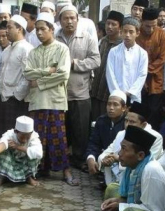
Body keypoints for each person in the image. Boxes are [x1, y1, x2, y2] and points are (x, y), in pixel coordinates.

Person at [24, 13, 78, 186]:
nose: (39, 33)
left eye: (43, 29)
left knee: (58, 137)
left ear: (52, 30)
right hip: (37, 102)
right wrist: (48, 71)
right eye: (37, 29)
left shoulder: (62, 49)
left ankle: (66, 171)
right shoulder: (33, 52)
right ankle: (38, 169)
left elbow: (63, 74)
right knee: (38, 137)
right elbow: (27, 73)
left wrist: (38, 82)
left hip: (55, 101)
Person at [56, 4, 101, 169]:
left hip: (80, 92)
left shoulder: (87, 38)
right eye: (65, 18)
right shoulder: (54, 38)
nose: (69, 21)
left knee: (81, 130)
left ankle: (80, 159)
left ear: (77, 19)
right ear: (60, 20)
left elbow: (96, 60)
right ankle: (63, 158)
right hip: (59, 93)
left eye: (72, 18)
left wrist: (75, 64)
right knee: (62, 129)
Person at [0, 15, 33, 173]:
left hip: (16, 101)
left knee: (14, 135)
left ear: (19, 29)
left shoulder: (27, 49)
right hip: (3, 98)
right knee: (2, 132)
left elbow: (28, 77)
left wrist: (16, 95)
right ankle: (1, 163)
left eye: (9, 28)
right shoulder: (6, 50)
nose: (6, 31)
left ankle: (15, 167)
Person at [99, 102, 163, 184]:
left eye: (132, 122)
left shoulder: (155, 137)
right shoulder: (121, 134)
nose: (127, 125)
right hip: (118, 176)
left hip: (143, 179)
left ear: (143, 125)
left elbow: (146, 163)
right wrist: (106, 159)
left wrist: (118, 159)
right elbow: (107, 152)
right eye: (126, 121)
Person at [0, 116, 42, 186]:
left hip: (25, 160)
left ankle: (28, 177)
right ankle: (5, 176)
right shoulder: (10, 134)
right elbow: (3, 142)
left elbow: (39, 153)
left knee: (34, 155)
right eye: (22, 136)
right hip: (12, 159)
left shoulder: (34, 137)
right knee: (2, 151)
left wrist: (18, 147)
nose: (25, 139)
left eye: (28, 136)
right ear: (16, 132)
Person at [105, 17, 148, 105]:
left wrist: (130, 92)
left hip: (133, 96)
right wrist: (118, 93)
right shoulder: (114, 51)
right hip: (116, 97)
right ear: (121, 32)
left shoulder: (142, 53)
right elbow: (110, 73)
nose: (127, 35)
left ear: (137, 33)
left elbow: (142, 75)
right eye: (125, 31)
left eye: (131, 32)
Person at [137, 8, 165, 128]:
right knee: (139, 112)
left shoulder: (162, 34)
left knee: (154, 113)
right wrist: (141, 75)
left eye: (153, 26)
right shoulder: (137, 33)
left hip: (155, 80)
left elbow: (162, 58)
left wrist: (147, 71)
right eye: (147, 26)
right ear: (141, 22)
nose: (150, 29)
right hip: (138, 80)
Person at [90, 10, 124, 120]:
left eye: (113, 24)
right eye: (107, 23)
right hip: (95, 89)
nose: (109, 27)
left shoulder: (122, 45)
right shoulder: (102, 41)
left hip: (109, 91)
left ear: (120, 27)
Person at [85, 90, 127, 176]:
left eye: (115, 105)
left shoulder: (128, 123)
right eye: (109, 104)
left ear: (123, 108)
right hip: (104, 160)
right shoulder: (101, 121)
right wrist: (90, 158)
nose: (111, 108)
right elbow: (94, 143)